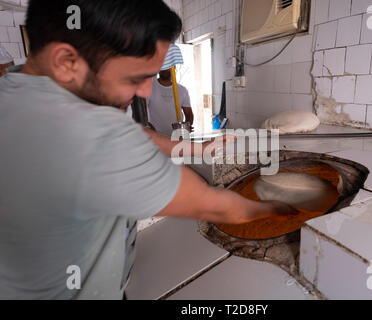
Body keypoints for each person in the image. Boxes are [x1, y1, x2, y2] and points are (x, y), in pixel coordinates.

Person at [0, 0, 297, 300]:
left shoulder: (18, 88)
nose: (145, 91)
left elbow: (137, 133)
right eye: (135, 77)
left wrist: (196, 150)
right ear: (66, 61)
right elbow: (213, 206)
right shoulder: (96, 138)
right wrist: (276, 209)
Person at [147, 69, 194, 135]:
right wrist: (149, 129)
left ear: (174, 68)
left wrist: (186, 127)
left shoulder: (182, 90)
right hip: (156, 137)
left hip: (177, 137)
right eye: (163, 66)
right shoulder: (148, 88)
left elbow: (189, 113)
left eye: (169, 66)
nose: (166, 69)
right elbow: (142, 115)